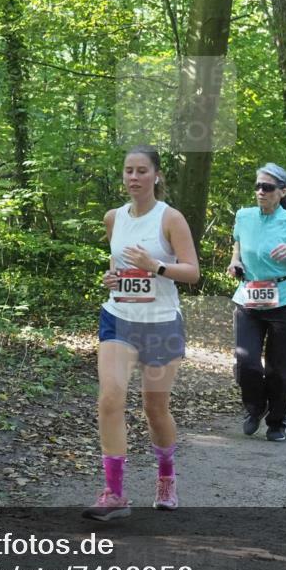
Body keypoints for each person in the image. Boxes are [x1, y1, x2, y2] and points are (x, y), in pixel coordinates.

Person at [84, 145, 199, 521]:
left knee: (154, 407)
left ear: (156, 175)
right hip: (119, 318)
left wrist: (156, 266)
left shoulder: (171, 218)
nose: (134, 177)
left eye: (142, 171)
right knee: (109, 399)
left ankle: (166, 476)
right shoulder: (113, 218)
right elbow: (117, 263)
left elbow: (192, 271)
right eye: (128, 171)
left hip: (161, 323)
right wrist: (111, 278)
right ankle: (114, 494)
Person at [228, 164, 286, 442]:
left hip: (284, 302)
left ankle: (277, 421)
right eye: (257, 186)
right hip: (248, 299)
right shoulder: (244, 216)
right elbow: (238, 244)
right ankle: (255, 408)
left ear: (282, 192)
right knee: (246, 363)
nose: (260, 192)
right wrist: (235, 262)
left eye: (267, 187)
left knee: (280, 369)